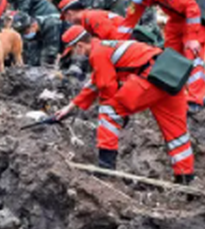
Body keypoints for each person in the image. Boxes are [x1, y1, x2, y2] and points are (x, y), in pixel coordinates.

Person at [51, 29, 195, 183]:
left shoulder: (97, 53)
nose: (75, 55)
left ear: (79, 46)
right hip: (169, 77)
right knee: (177, 133)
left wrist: (120, 113)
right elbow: (95, 82)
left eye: (72, 51)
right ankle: (185, 178)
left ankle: (106, 169)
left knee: (108, 112)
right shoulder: (104, 47)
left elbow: (106, 86)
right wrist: (70, 107)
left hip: (149, 78)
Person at [118, 0, 205, 105]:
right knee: (170, 54)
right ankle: (175, 92)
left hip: (195, 15)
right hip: (177, 18)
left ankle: (196, 99)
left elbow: (192, 8)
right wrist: (116, 45)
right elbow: (127, 24)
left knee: (192, 52)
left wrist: (192, 37)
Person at [58, 0, 131, 41]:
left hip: (130, 39)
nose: (67, 20)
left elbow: (113, 39)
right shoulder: (86, 20)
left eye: (65, 17)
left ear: (69, 13)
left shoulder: (92, 17)